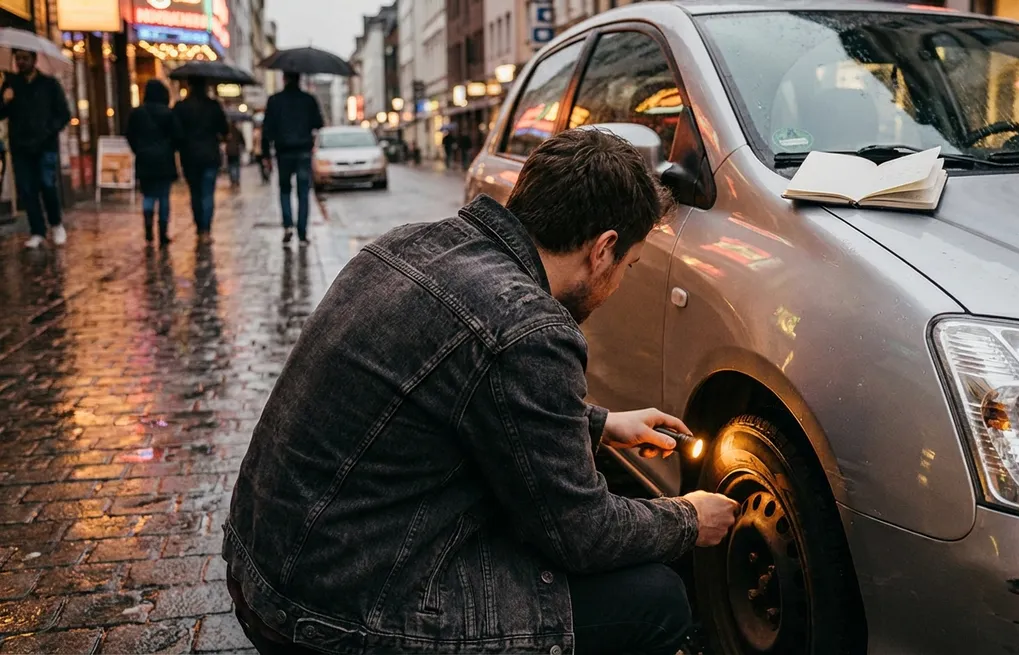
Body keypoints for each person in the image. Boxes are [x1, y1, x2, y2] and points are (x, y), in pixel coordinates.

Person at [224, 128, 739, 655]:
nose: (620, 283)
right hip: (331, 616)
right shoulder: (528, 326)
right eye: (629, 266)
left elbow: (455, 396)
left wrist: (600, 424)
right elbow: (582, 533)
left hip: (264, 568)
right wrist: (688, 518)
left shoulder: (406, 243)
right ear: (604, 249)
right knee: (656, 600)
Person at [0, 49, 71, 249]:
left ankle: (56, 224)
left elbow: (64, 114)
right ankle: (37, 231)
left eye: (25, 58)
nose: (20, 62)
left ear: (34, 59)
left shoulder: (49, 84)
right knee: (27, 189)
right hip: (21, 147)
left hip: (45, 145)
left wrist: (48, 130)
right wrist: (4, 100)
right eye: (18, 58)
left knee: (47, 185)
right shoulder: (11, 84)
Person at [263, 72, 323, 245]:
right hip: (303, 151)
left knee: (284, 190)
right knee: (303, 192)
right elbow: (319, 123)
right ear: (300, 79)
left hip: (283, 152)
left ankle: (288, 225)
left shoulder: (275, 100)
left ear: (284, 79)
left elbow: (267, 129)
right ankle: (302, 233)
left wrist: (265, 154)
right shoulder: (308, 100)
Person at [124, 79, 182, 246]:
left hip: (145, 160)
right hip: (164, 161)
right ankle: (163, 233)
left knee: (148, 195)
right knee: (163, 197)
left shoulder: (137, 113)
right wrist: (170, 148)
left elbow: (129, 135)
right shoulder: (168, 114)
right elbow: (178, 136)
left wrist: (139, 149)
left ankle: (148, 229)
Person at [173, 77, 228, 242]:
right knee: (207, 193)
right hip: (210, 155)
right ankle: (206, 230)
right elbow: (224, 129)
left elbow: (176, 132)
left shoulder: (181, 107)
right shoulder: (213, 106)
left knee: (195, 193)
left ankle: (199, 227)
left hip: (189, 156)